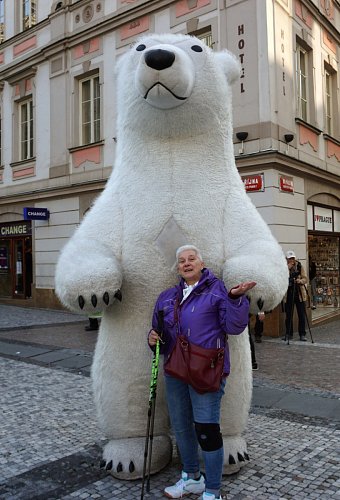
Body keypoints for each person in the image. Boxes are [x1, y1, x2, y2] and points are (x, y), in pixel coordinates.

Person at [148, 245, 256, 500]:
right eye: (182, 261)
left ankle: (213, 491)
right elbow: (159, 333)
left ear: (201, 263)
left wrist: (235, 299)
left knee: (206, 430)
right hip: (175, 371)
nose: (186, 263)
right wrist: (152, 339)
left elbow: (234, 326)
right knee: (182, 427)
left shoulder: (217, 290)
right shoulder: (166, 297)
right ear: (177, 268)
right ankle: (192, 478)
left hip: (207, 371)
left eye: (191, 259)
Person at [284, 250, 308, 341]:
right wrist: (287, 268)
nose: (292, 260)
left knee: (301, 314)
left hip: (299, 293)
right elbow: (281, 278)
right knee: (289, 315)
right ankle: (288, 334)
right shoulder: (283, 267)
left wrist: (300, 281)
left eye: (293, 258)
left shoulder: (299, 265)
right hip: (289, 293)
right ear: (286, 259)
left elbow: (305, 278)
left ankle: (302, 334)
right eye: (290, 258)